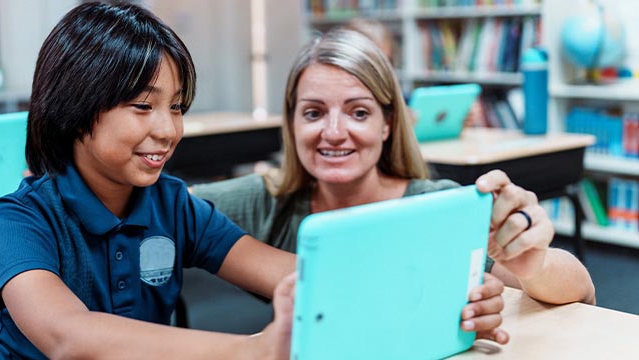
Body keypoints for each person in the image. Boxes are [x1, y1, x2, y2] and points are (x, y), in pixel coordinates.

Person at [0, 3, 504, 359]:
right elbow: (68, 337)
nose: (168, 130)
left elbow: (306, 276)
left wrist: (446, 302)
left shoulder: (171, 204)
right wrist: (252, 349)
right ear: (73, 107)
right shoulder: (18, 220)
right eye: (143, 106)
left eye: (177, 107)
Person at [191, 29, 595, 310]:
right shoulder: (267, 200)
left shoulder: (433, 206)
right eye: (313, 113)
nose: (334, 132)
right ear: (292, 122)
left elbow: (581, 292)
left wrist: (533, 264)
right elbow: (169, 205)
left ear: (387, 124)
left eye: (359, 112)